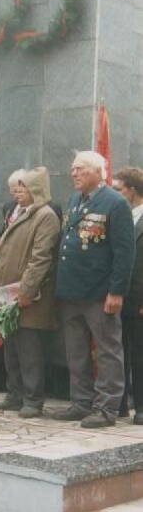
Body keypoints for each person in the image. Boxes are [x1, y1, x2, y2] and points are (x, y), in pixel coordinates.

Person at [54, 151, 135, 428]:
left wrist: (117, 291)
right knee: (75, 350)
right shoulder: (76, 200)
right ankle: (80, 401)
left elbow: (124, 253)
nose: (74, 174)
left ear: (99, 172)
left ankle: (106, 408)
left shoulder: (115, 203)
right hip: (71, 290)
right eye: (73, 169)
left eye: (80, 169)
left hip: (99, 292)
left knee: (107, 350)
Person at [0, 167, 60, 417]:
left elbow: (41, 258)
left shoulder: (45, 216)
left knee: (30, 350)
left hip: (29, 297)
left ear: (36, 190)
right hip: (9, 295)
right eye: (17, 187)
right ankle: (15, 393)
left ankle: (32, 399)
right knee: (13, 349)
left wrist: (26, 291)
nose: (18, 192)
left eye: (24, 187)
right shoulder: (22, 213)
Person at [114, 167, 143, 425]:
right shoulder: (120, 216)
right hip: (118, 296)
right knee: (117, 351)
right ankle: (119, 403)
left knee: (140, 353)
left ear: (132, 191)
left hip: (139, 298)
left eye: (119, 189)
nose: (116, 193)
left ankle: (141, 407)